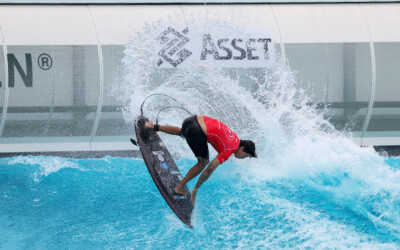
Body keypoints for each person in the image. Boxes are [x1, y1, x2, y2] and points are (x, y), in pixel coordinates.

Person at [145, 115, 256, 205]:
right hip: (197, 130)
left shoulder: (234, 138)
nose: (242, 158)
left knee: (182, 133)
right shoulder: (230, 149)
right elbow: (209, 169)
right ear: (242, 148)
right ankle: (179, 187)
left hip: (191, 120)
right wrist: (195, 189)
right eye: (245, 156)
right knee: (203, 162)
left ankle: (153, 127)